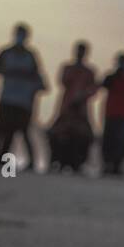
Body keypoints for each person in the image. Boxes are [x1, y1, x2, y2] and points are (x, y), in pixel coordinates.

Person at [0, 23, 45, 170]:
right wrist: (10, 71)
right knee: (0, 128)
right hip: (7, 98)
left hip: (23, 101)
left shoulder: (31, 56)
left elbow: (37, 77)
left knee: (20, 131)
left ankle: (6, 159)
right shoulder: (6, 52)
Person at [47, 41, 98, 173]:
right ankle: (56, 160)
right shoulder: (68, 68)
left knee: (84, 137)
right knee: (56, 134)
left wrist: (82, 96)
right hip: (66, 108)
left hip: (81, 111)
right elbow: (63, 82)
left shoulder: (89, 71)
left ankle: (77, 162)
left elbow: (93, 89)